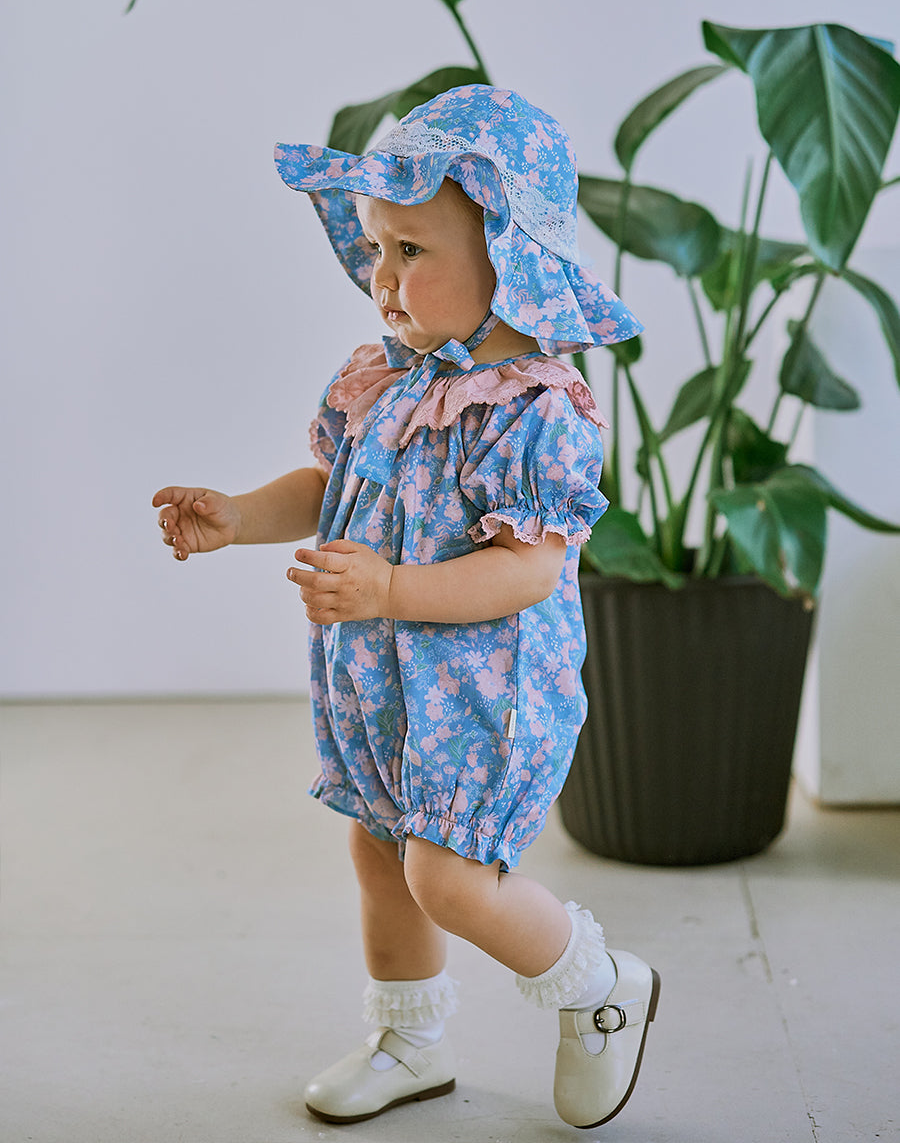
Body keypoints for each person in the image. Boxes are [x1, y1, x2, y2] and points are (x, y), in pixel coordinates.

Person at [153, 84, 659, 1130]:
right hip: (385, 691)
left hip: (484, 699)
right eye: (376, 247)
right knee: (378, 852)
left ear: (507, 257)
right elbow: (327, 486)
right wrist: (236, 517)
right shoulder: (382, 378)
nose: (381, 276)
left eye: (412, 250)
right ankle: (410, 1040)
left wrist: (388, 588)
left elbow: (526, 571)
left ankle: (599, 985)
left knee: (447, 877)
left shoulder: (535, 409)